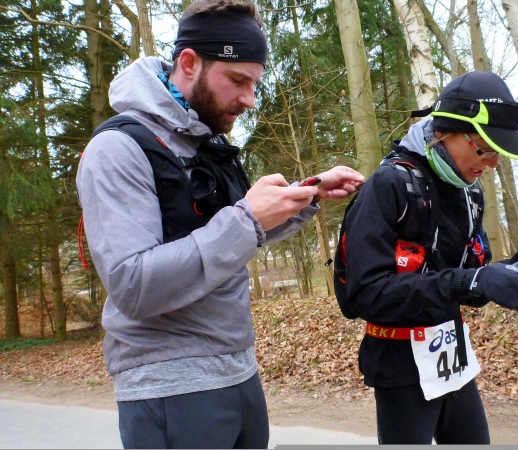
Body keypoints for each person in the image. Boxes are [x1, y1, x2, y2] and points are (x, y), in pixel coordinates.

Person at [75, 1, 363, 448]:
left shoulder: (203, 138)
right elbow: (131, 285)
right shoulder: (118, 149)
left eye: (254, 83)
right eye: (237, 80)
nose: (249, 99)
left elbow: (236, 235)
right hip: (171, 384)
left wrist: (308, 192)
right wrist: (247, 219)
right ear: (190, 63)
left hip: (239, 369)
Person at [340, 70, 518, 445]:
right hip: (399, 358)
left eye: (498, 153)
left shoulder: (468, 191)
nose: (493, 163)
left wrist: (508, 274)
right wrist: (468, 282)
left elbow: (466, 282)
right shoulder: (389, 185)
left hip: (451, 352)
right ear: (446, 132)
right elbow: (366, 294)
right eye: (486, 149)